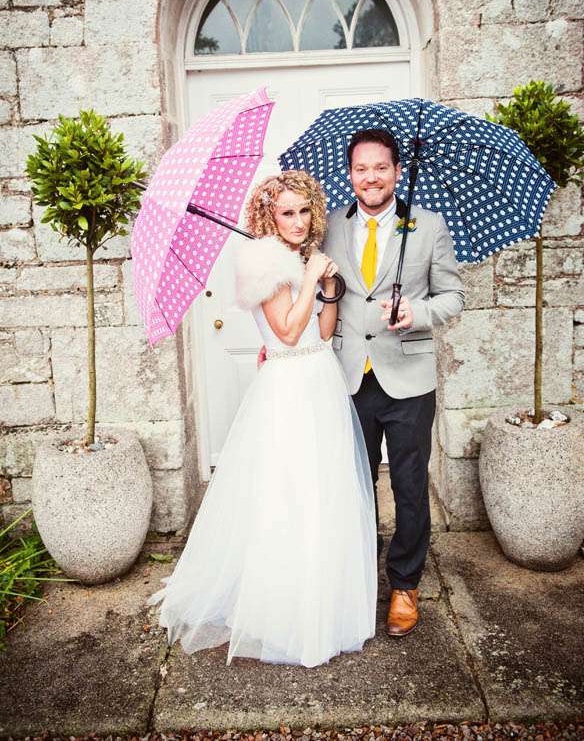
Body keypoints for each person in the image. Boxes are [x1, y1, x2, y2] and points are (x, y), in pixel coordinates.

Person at [147, 170, 377, 668]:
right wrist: (310, 278)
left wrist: (328, 286)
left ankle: (321, 600)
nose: (298, 221)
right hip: (288, 387)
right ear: (269, 216)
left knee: (322, 490)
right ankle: (282, 608)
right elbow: (288, 333)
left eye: (304, 211)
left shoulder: (301, 258)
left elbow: (322, 330)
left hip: (321, 380)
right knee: (287, 491)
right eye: (287, 212)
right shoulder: (262, 260)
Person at [322, 129, 464, 638]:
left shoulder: (428, 226)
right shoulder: (329, 225)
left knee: (408, 486)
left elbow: (453, 297)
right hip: (347, 375)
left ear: (398, 171)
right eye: (361, 168)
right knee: (353, 484)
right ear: (350, 174)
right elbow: (316, 291)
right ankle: (358, 576)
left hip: (408, 379)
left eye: (381, 167)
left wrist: (417, 312)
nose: (371, 177)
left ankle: (405, 583)